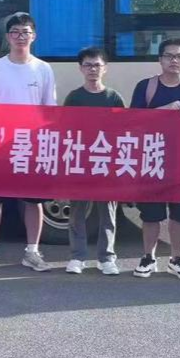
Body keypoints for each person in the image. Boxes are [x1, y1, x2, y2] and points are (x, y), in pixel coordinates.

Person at [0, 14, 57, 273]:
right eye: (15, 32)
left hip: (31, 143)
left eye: (25, 32)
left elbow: (49, 109)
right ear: (7, 37)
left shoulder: (43, 69)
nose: (20, 37)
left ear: (34, 36)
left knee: (33, 200)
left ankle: (32, 252)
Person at [129, 37, 180, 280]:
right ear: (160, 59)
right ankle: (148, 257)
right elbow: (133, 121)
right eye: (169, 56)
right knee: (150, 214)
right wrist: (166, 109)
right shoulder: (146, 87)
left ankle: (176, 259)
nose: (174, 60)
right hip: (151, 160)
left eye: (179, 56)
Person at [62, 47, 125, 276]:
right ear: (81, 68)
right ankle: (77, 257)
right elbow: (65, 128)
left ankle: (106, 258)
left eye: (97, 65)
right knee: (77, 212)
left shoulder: (114, 97)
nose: (92, 69)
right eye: (88, 65)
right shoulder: (74, 97)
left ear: (105, 68)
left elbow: (124, 130)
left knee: (108, 212)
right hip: (81, 161)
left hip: (106, 161)